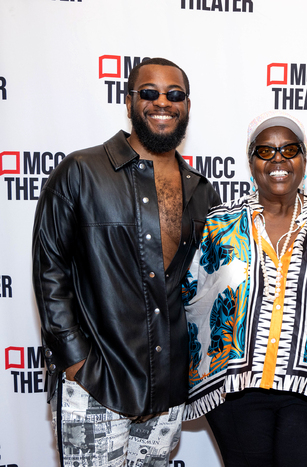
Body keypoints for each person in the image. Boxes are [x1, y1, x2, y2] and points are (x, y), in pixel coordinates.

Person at [32, 57, 220, 467]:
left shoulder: (204, 192)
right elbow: (50, 271)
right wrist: (77, 363)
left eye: (175, 94)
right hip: (96, 385)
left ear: (187, 104)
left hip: (167, 392)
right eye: (149, 93)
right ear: (129, 100)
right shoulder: (81, 172)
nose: (162, 102)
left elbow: (203, 290)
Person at [183, 110, 307, 466]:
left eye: (289, 149)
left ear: (304, 159)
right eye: (265, 151)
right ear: (251, 162)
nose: (278, 159)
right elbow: (189, 295)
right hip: (236, 392)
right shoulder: (219, 223)